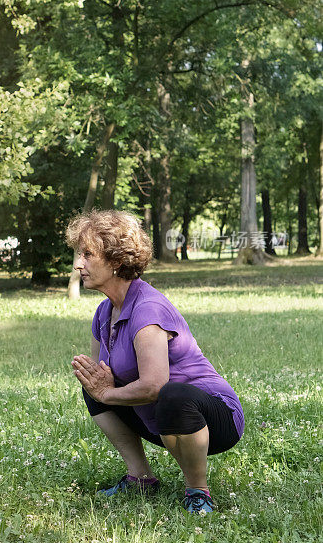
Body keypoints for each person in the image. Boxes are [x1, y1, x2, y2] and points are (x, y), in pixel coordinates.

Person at [66, 209, 244, 514]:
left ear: (116, 260)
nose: (78, 263)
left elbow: (154, 385)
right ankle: (141, 478)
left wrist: (108, 393)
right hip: (159, 416)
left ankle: (198, 491)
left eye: (87, 254)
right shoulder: (103, 313)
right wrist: (101, 388)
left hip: (213, 417)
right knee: (91, 386)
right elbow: (100, 376)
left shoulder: (147, 309)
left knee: (171, 394)